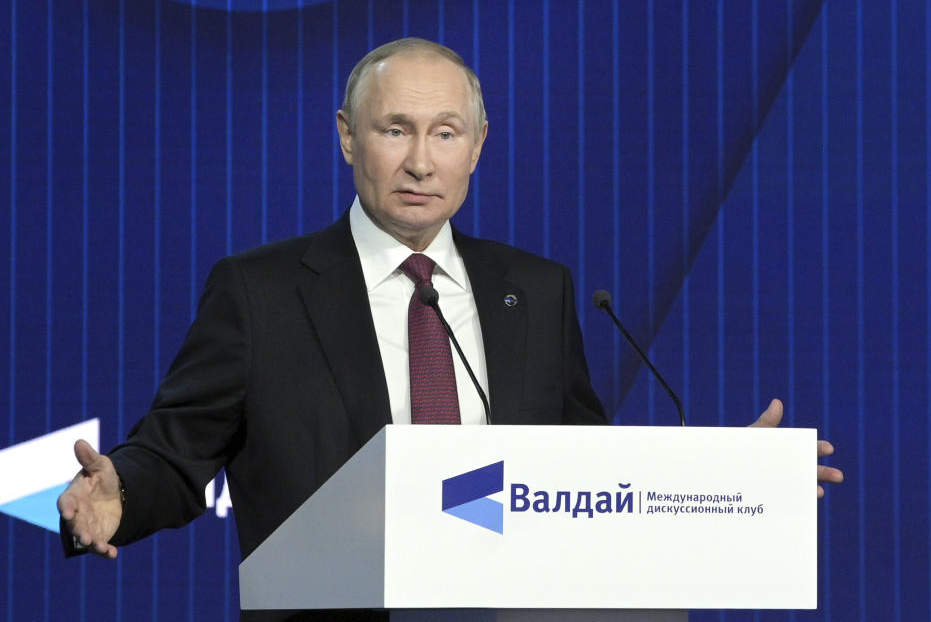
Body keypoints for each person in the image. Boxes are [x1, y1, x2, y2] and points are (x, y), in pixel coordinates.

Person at [58, 36, 843, 601]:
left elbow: (584, 476)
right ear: (347, 138)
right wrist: (120, 492)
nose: (421, 162)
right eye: (395, 130)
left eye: (445, 133)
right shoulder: (259, 292)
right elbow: (176, 450)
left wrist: (720, 487)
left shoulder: (536, 290)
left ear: (478, 146)